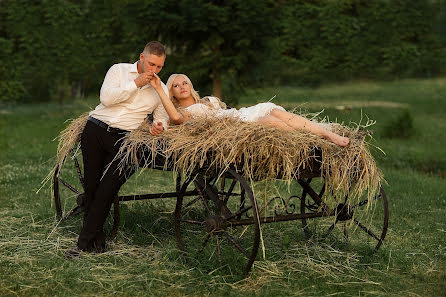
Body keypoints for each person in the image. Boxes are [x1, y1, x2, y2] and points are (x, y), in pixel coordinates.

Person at [68, 41, 170, 256]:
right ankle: (97, 240)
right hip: (95, 130)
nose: (154, 70)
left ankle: (81, 246)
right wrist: (136, 83)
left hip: (125, 139)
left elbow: (162, 119)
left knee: (107, 190)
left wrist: (158, 126)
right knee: (92, 187)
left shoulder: (161, 88)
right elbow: (106, 98)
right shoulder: (119, 70)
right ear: (142, 57)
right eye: (151, 64)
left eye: (159, 66)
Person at [149, 73, 350, 147]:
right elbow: (173, 118)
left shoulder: (208, 101)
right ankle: (320, 135)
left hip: (237, 115)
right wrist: (159, 90)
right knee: (273, 121)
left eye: (185, 82)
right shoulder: (184, 114)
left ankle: (326, 134)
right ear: (172, 94)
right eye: (176, 85)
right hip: (233, 127)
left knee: (275, 112)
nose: (182, 86)